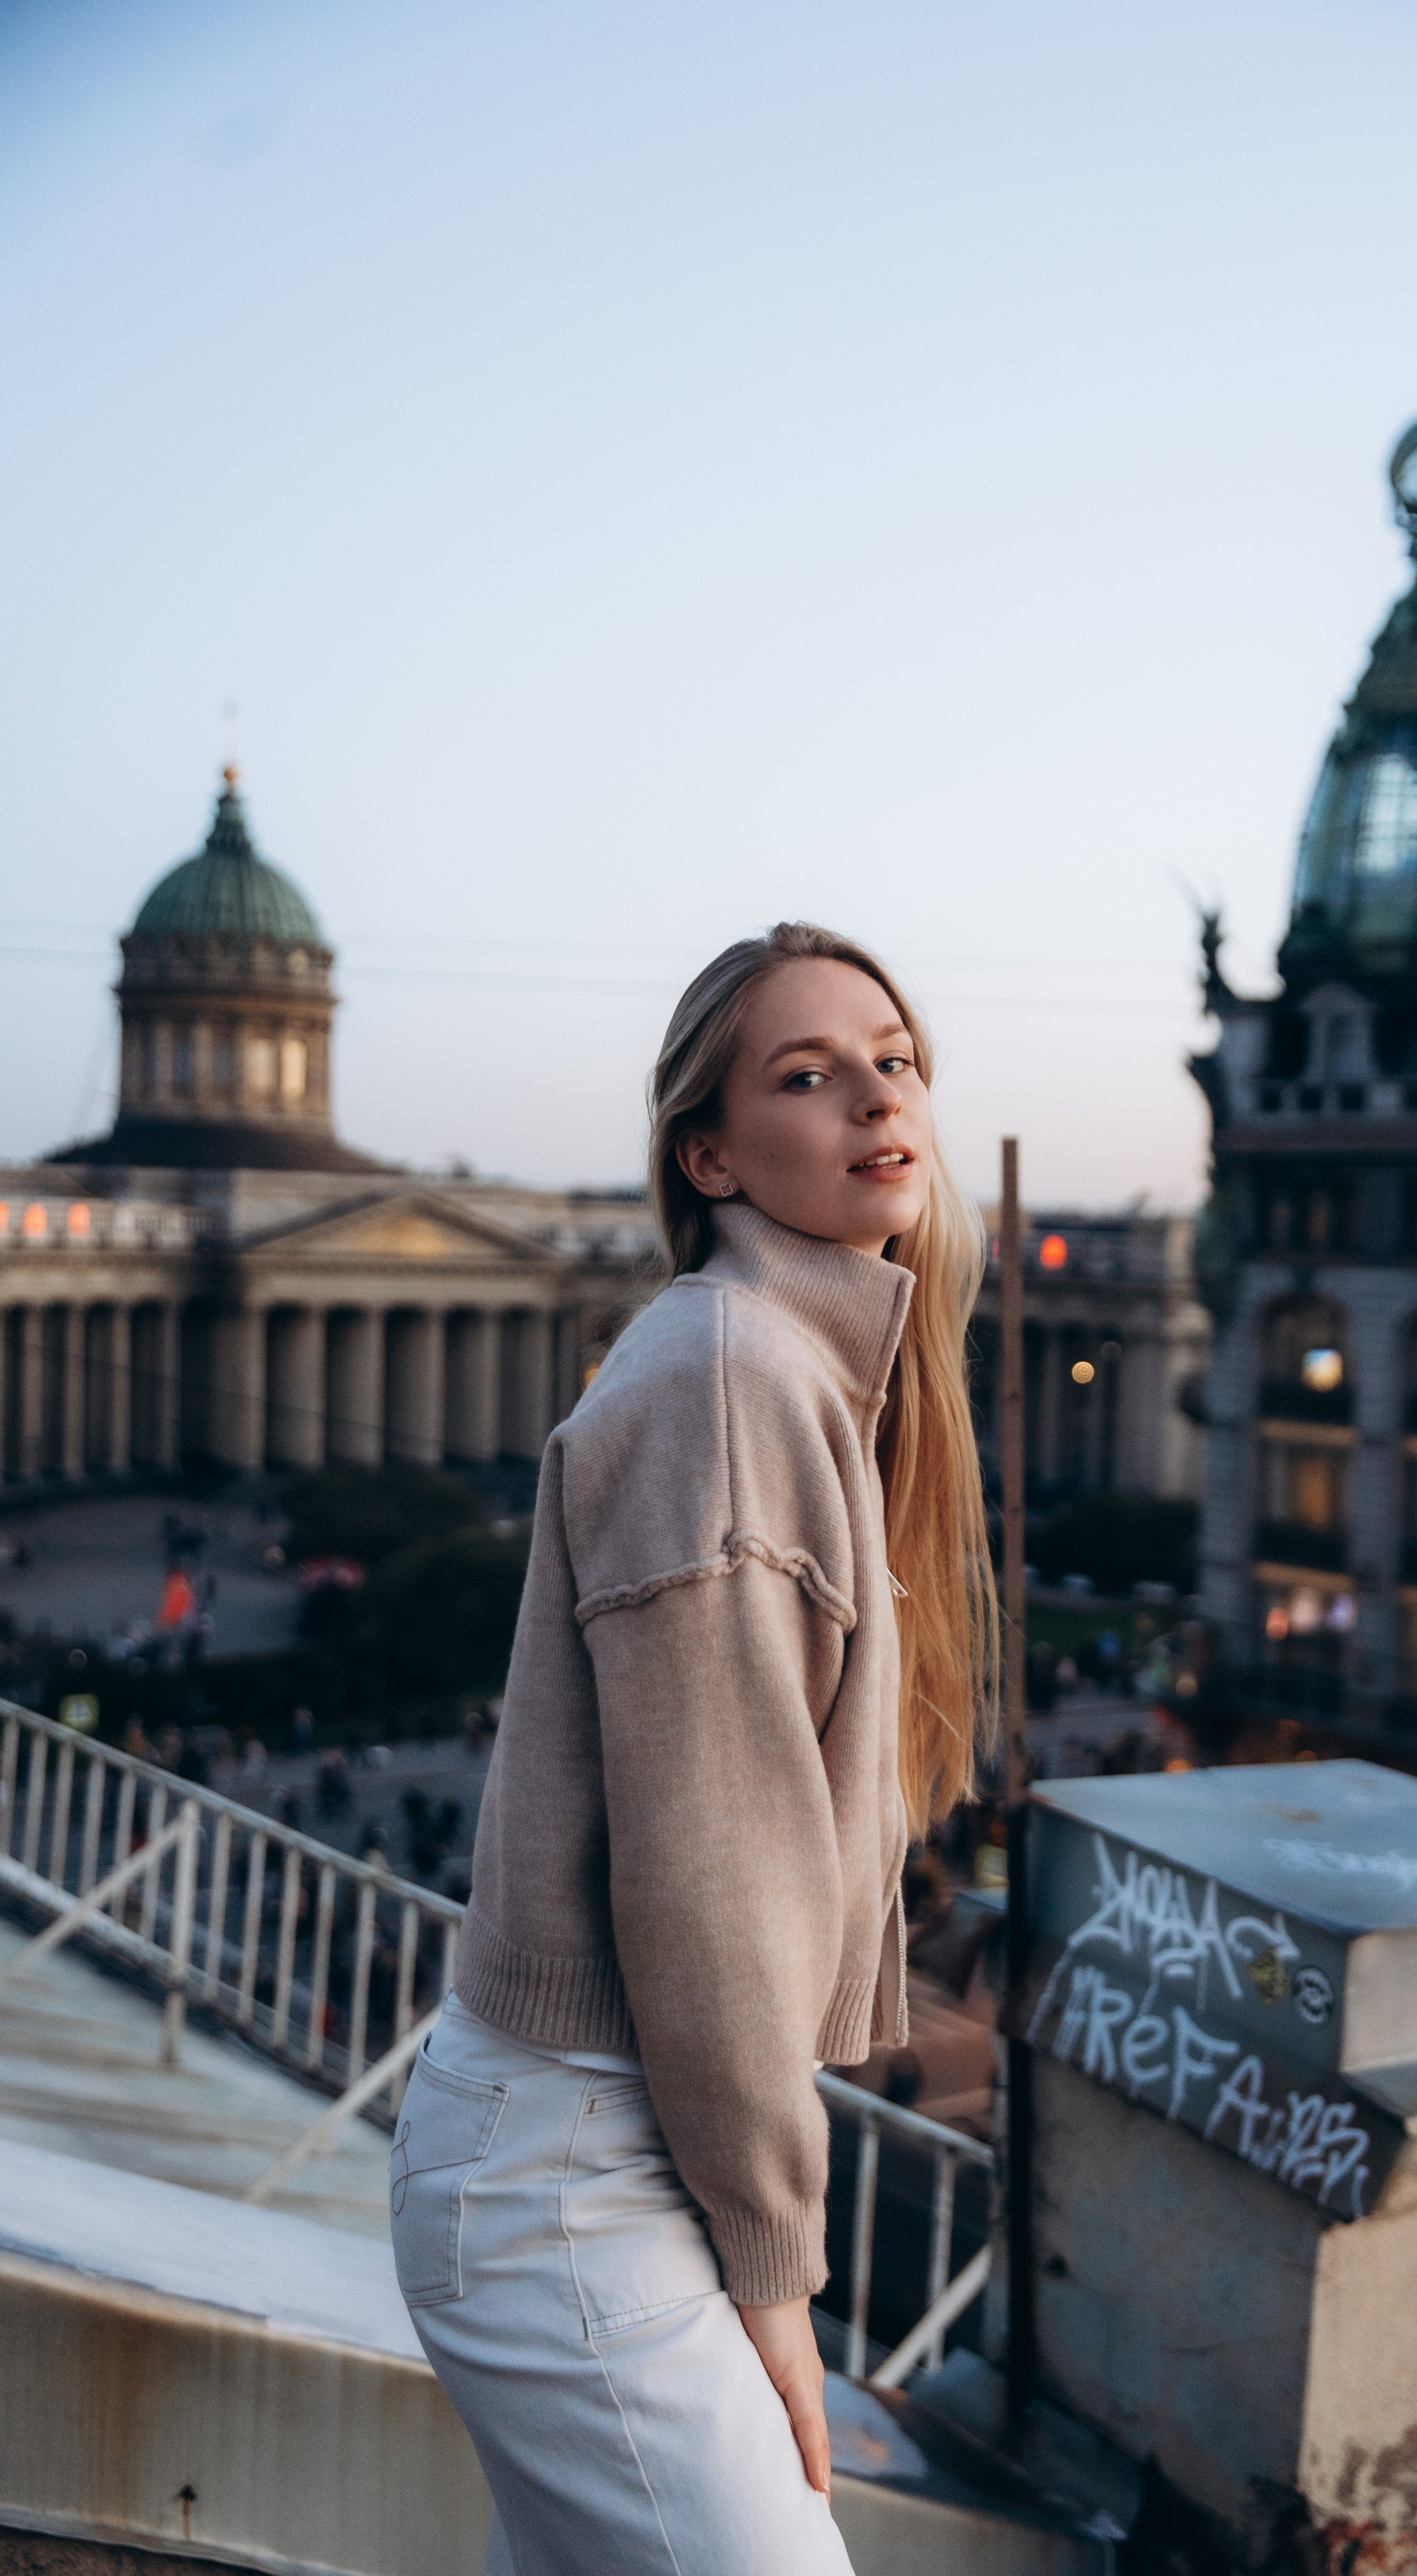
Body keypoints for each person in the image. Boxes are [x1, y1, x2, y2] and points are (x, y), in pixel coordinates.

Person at [390, 924, 996, 2575]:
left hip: (589, 2152)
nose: (878, 1096)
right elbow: (710, 1891)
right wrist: (775, 2279)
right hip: (582, 2180)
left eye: (895, 1055)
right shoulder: (730, 1375)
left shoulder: (783, 1365)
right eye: (807, 1074)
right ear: (710, 1153)